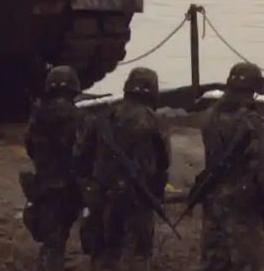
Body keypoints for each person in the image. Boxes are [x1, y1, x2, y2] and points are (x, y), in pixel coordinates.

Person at [76, 66, 170, 271]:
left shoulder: (102, 117)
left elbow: (81, 158)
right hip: (139, 198)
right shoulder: (155, 121)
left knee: (104, 252)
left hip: (103, 196)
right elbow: (164, 163)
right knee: (137, 254)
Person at [198, 62, 264, 271]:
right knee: (247, 262)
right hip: (244, 206)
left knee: (214, 261)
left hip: (214, 201)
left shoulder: (209, 116)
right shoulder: (252, 121)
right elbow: (263, 169)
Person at [21, 65, 86, 271]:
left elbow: (31, 148)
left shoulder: (37, 117)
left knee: (52, 240)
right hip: (71, 186)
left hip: (45, 185)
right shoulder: (80, 118)